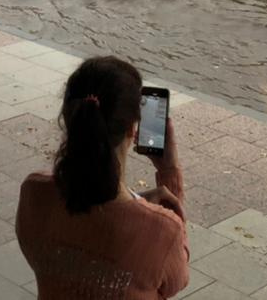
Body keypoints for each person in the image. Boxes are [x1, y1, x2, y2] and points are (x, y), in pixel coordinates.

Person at [16, 56, 189, 299]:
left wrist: (137, 201)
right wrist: (169, 172)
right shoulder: (161, 229)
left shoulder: (34, 193)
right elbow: (175, 283)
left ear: (69, 118)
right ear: (132, 129)